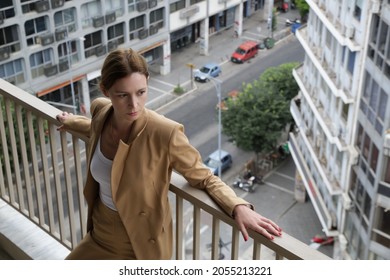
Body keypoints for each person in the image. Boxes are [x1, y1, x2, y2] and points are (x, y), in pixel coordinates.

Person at [56, 48, 282, 260]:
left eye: (141, 92)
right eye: (123, 95)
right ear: (106, 91)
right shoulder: (100, 111)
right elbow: (94, 127)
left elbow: (204, 176)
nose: (134, 104)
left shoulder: (165, 132)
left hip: (137, 242)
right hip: (99, 230)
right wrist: (71, 122)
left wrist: (238, 207)